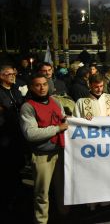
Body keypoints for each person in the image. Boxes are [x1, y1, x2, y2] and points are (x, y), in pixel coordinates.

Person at [20, 73, 68, 224]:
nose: (42, 88)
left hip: (60, 151)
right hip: (42, 155)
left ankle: (65, 215)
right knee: (42, 193)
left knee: (62, 188)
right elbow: (31, 134)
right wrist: (57, 129)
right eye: (38, 85)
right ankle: (41, 221)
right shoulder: (27, 107)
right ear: (31, 87)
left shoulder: (55, 102)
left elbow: (64, 120)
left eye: (44, 84)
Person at [0, 65, 25, 212]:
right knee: (6, 167)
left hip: (17, 133)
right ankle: (8, 198)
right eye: (9, 74)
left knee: (18, 164)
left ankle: (18, 192)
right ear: (2, 76)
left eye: (13, 73)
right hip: (4, 134)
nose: (12, 76)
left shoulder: (16, 90)